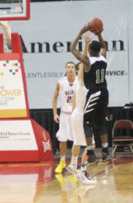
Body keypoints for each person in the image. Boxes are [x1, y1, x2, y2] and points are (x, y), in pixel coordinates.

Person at [70, 24, 109, 167]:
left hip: (95, 92)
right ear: (98, 50)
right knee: (101, 121)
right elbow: (104, 46)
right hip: (105, 92)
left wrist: (81, 31)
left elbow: (72, 49)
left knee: (87, 121)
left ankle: (91, 152)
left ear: (90, 51)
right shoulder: (103, 58)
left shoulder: (88, 61)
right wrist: (99, 35)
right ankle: (105, 150)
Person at [66, 32, 96, 184]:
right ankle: (82, 170)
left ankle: (73, 165)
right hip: (80, 115)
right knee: (89, 144)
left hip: (79, 114)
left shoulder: (84, 83)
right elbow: (83, 62)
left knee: (79, 142)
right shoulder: (80, 79)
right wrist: (86, 45)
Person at [52, 61, 78, 174]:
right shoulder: (61, 82)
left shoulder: (79, 82)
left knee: (76, 140)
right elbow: (54, 98)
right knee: (63, 139)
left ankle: (73, 163)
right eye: (68, 67)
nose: (70, 69)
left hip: (75, 114)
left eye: (72, 67)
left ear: (75, 69)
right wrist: (54, 113)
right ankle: (62, 161)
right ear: (66, 69)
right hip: (64, 114)